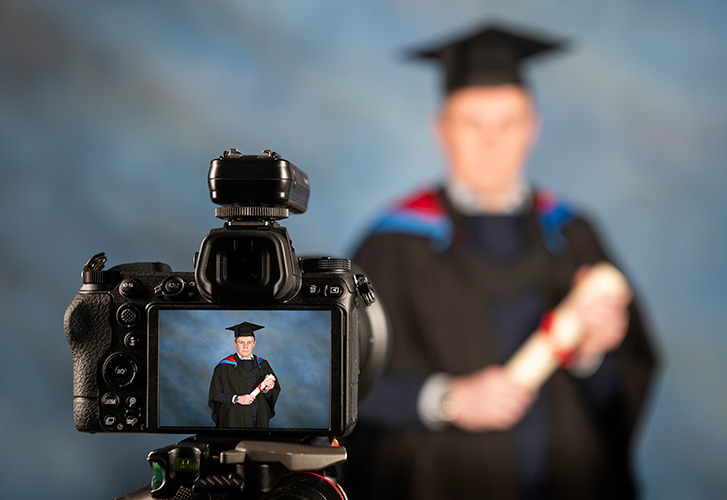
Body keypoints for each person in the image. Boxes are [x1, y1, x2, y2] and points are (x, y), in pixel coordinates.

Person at [343, 23, 658, 500]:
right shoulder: (393, 244)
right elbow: (340, 383)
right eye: (472, 124)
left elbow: (622, 392)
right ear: (442, 129)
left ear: (532, 129)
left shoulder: (574, 235)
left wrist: (593, 356)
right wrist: (445, 400)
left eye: (508, 123)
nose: (491, 142)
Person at [208, 321, 281, 428]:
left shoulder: (263, 365)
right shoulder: (224, 367)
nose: (245, 346)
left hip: (260, 419)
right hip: (234, 419)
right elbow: (216, 394)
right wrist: (237, 399)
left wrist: (268, 390)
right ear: (235, 343)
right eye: (242, 342)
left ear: (254, 343)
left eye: (249, 342)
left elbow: (270, 396)